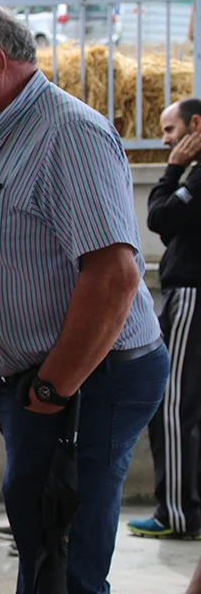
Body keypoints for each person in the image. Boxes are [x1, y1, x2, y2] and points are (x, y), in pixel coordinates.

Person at [0, 2, 168, 594]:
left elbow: (113, 276)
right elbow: (9, 252)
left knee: (66, 546)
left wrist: (54, 387)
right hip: (51, 383)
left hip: (89, 382)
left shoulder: (68, 135)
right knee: (39, 535)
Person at [129, 98, 201, 539]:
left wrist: (173, 170)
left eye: (170, 129)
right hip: (187, 295)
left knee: (172, 407)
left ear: (196, 125)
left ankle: (176, 514)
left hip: (190, 296)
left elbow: (159, 217)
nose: (165, 139)